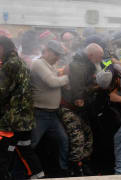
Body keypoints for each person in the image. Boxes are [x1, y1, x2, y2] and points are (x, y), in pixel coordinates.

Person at [0, 36, 44, 179]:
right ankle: (39, 175)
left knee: (4, 155)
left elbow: (2, 91)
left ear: (2, 48)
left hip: (11, 120)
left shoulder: (9, 65)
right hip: (25, 118)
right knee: (25, 149)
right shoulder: (20, 62)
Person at [60, 43, 104, 176]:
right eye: (99, 57)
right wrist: (94, 88)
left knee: (88, 135)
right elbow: (77, 90)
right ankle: (74, 168)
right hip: (69, 108)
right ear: (91, 55)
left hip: (77, 108)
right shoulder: (78, 66)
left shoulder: (87, 64)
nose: (101, 60)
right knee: (77, 138)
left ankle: (83, 163)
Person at [30, 40, 70, 175]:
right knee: (30, 145)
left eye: (59, 55)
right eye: (56, 54)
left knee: (63, 140)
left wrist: (61, 76)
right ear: (47, 51)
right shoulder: (38, 63)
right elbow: (52, 82)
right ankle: (23, 171)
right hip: (40, 113)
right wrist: (67, 78)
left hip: (51, 114)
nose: (58, 58)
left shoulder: (50, 65)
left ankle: (63, 169)